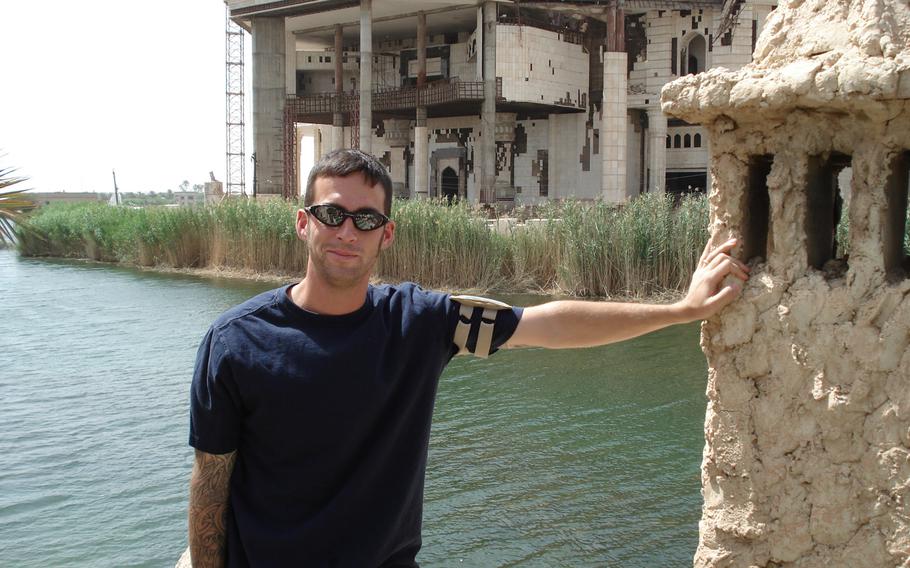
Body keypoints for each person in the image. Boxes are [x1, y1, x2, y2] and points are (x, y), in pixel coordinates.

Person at [188, 149, 749, 567]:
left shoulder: (418, 323)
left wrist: (680, 310)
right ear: (303, 221)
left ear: (386, 235)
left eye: (365, 220)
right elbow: (211, 483)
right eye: (332, 214)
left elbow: (546, 324)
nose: (346, 232)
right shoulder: (236, 341)